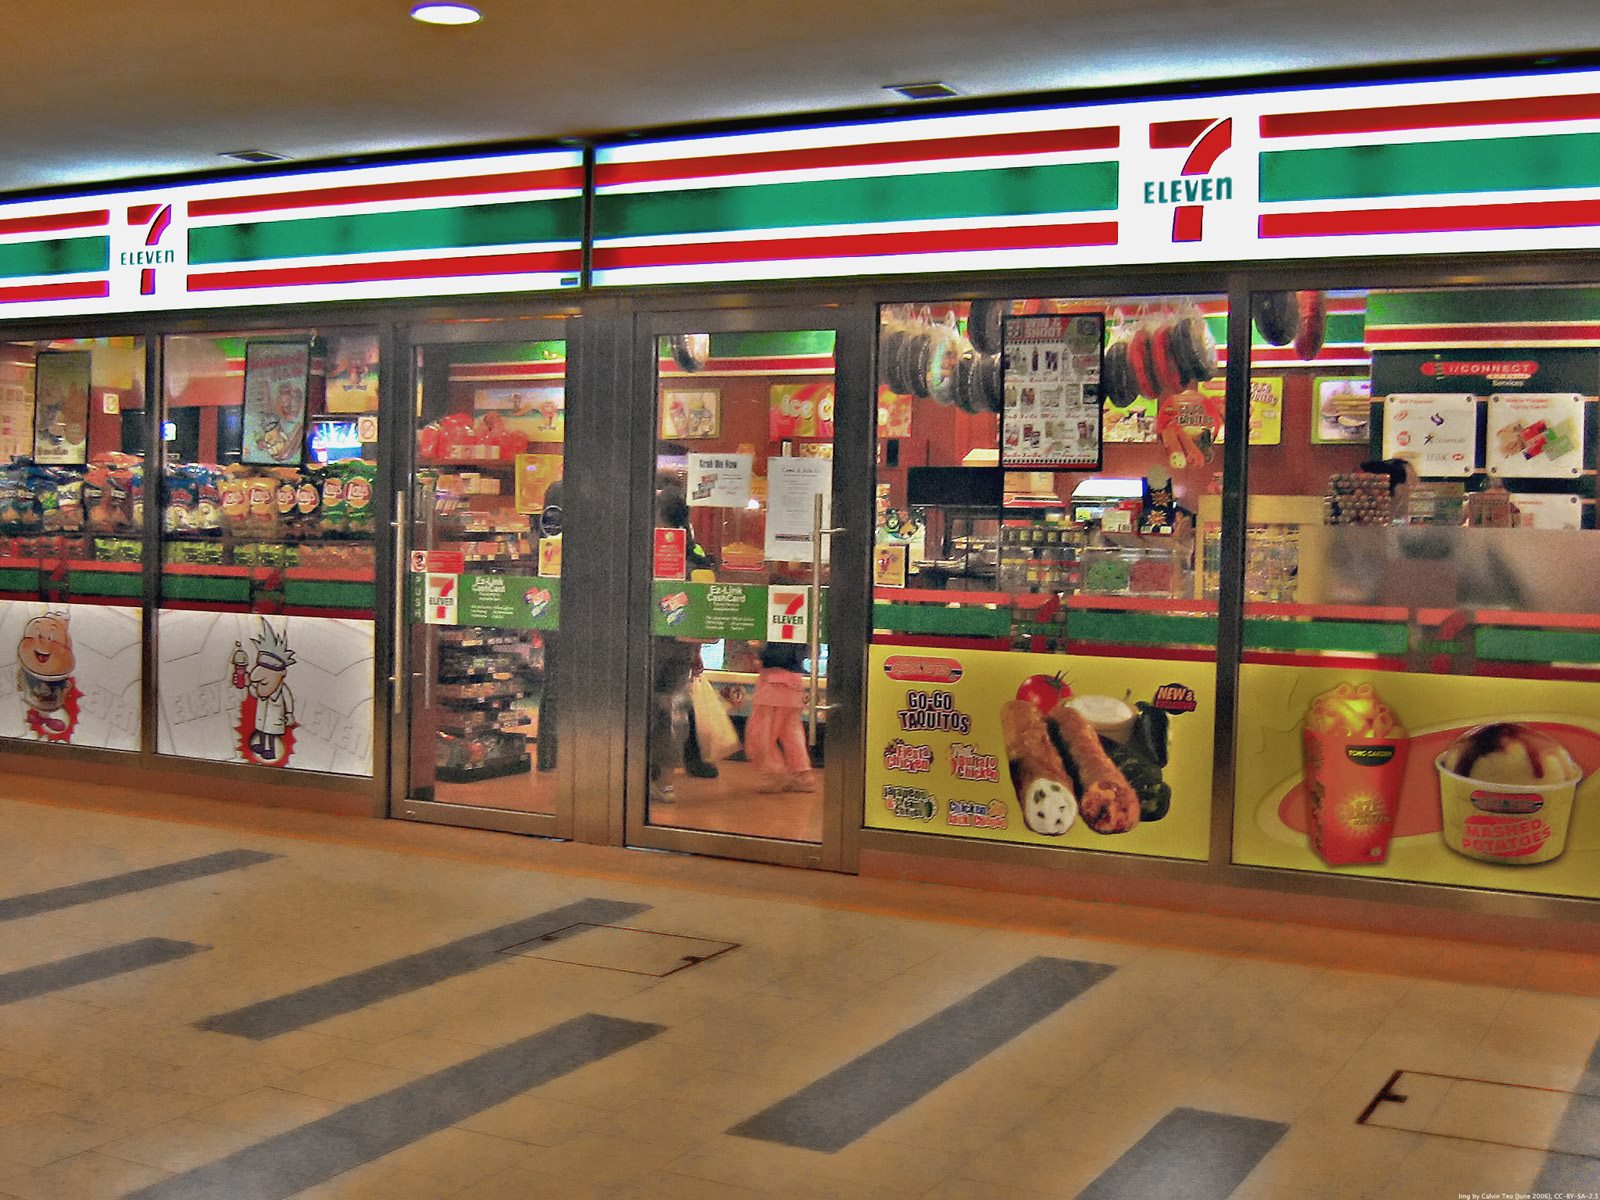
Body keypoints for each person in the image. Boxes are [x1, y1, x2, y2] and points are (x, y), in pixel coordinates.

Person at [650, 478, 718, 803]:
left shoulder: (653, 553)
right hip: (683, 645)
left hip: (653, 643)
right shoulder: (696, 553)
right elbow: (703, 609)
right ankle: (665, 782)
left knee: (645, 709)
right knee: (671, 710)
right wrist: (696, 650)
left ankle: (638, 777)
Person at [744, 641, 815, 794]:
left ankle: (775, 773)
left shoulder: (779, 630)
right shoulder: (799, 630)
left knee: (759, 733)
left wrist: (760, 649)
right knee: (791, 733)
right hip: (793, 681)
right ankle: (801, 774)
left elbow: (779, 654)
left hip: (773, 683)